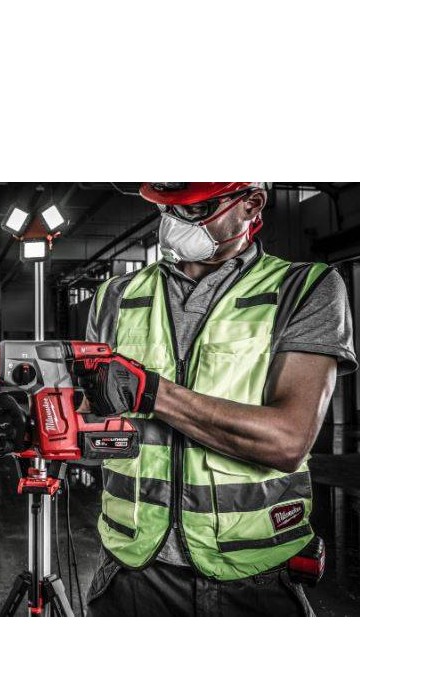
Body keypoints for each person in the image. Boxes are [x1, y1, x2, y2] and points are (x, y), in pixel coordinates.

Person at [78, 182, 358, 616]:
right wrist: (34, 425)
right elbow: (92, 428)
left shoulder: (304, 289)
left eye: (196, 208)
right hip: (130, 566)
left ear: (251, 204)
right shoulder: (116, 296)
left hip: (253, 573)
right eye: (166, 209)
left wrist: (153, 393)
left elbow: (288, 441)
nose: (174, 223)